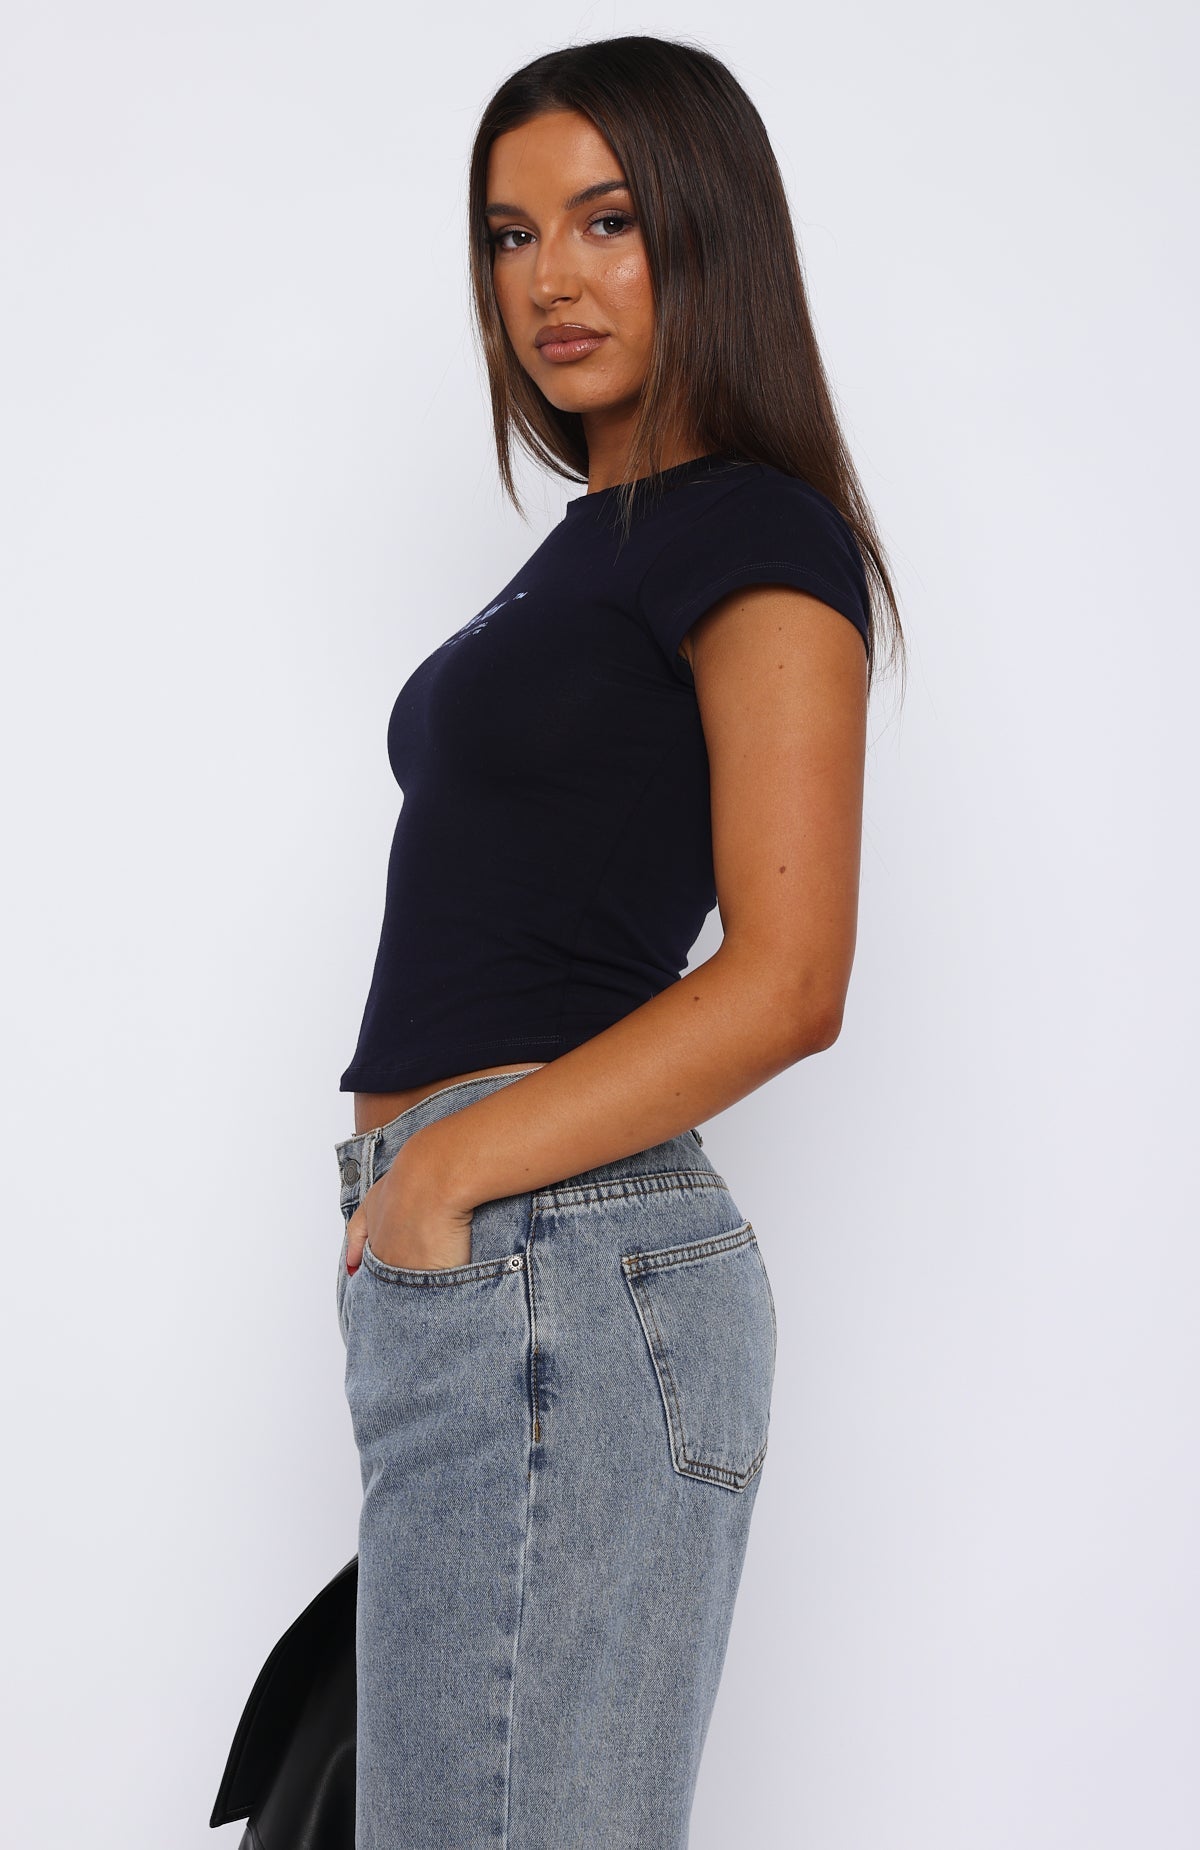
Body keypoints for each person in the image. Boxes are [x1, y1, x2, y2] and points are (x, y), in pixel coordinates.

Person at [331, 33, 904, 1850]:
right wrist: (411, 1195)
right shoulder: (589, 547)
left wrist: (450, 1168)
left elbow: (792, 977)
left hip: (555, 1254)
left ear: (709, 231)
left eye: (607, 220)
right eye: (510, 236)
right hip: (493, 1265)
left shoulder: (758, 534)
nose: (548, 281)